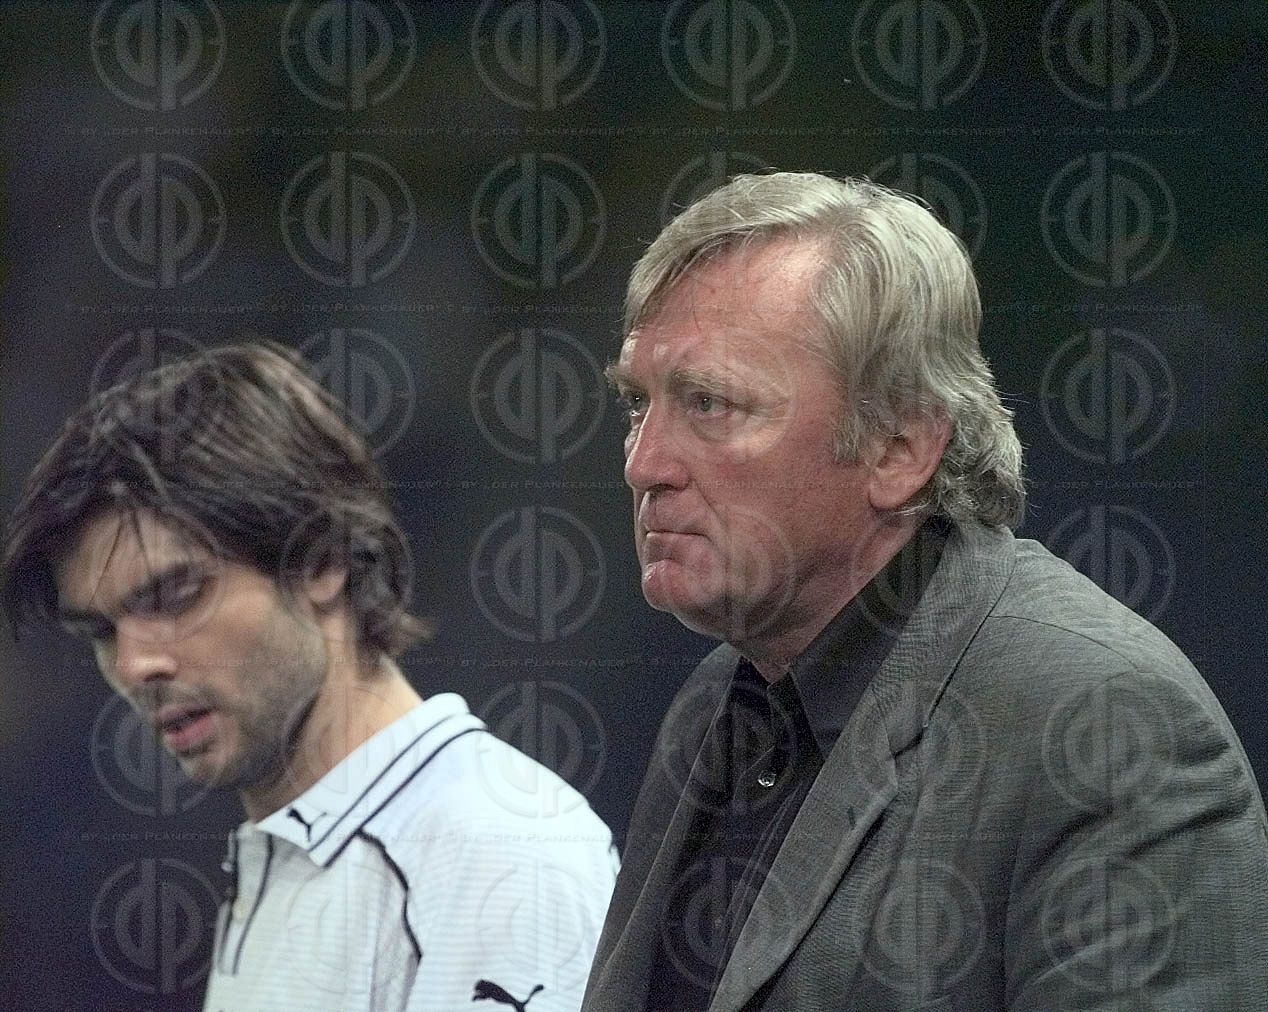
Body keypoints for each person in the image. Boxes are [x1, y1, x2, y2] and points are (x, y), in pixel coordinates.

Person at [585, 172, 1268, 1011]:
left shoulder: (1107, 724)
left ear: (900, 447)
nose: (645, 463)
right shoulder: (717, 703)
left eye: (710, 403)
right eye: (637, 403)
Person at [1, 342, 617, 1012]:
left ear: (320, 559)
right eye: (101, 630)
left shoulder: (502, 856)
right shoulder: (294, 855)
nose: (133, 665)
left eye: (176, 595)